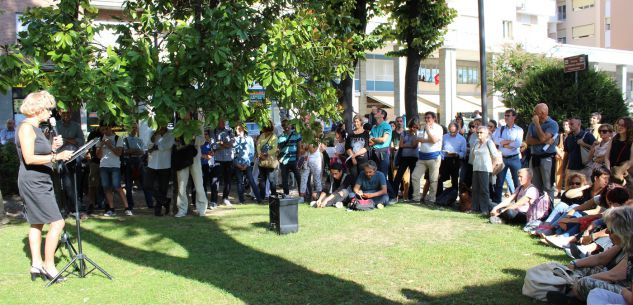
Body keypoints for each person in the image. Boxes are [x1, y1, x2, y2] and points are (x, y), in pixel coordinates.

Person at [15, 91, 73, 283]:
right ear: (38, 108)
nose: (50, 113)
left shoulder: (37, 128)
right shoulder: (26, 128)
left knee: (37, 223)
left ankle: (36, 264)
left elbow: (40, 152)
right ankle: (49, 266)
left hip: (41, 179)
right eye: (48, 109)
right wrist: (56, 156)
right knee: (57, 223)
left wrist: (52, 147)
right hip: (33, 181)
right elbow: (29, 158)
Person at [547, 205, 633, 304]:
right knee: (587, 268)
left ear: (623, 231)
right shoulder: (625, 244)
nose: (606, 232)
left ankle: (571, 295)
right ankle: (573, 294)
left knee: (586, 283)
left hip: (627, 292)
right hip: (623, 288)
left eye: (611, 230)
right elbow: (601, 258)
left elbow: (614, 275)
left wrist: (581, 281)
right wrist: (575, 264)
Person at [174, 115, 208, 217]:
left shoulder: (197, 124)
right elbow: (175, 140)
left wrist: (191, 137)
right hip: (181, 156)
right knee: (181, 185)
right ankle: (182, 209)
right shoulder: (178, 124)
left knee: (198, 184)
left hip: (195, 156)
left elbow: (202, 140)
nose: (184, 114)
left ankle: (202, 209)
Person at [96, 123, 131, 216]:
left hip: (115, 166)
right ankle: (111, 209)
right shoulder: (99, 140)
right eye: (102, 129)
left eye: (106, 129)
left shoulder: (118, 138)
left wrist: (110, 145)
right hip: (103, 166)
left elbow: (119, 153)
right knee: (107, 188)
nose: (105, 131)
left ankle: (127, 208)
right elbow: (98, 156)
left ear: (110, 128)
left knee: (117, 187)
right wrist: (101, 146)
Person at [526, 103, 559, 201]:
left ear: (542, 113)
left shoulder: (552, 124)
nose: (534, 115)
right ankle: (537, 208)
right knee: (536, 186)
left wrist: (537, 125)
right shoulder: (532, 124)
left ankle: (549, 208)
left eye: (535, 113)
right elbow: (528, 140)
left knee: (547, 185)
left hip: (547, 158)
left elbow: (543, 137)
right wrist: (542, 140)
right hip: (535, 157)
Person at [56, 109, 85, 215]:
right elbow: (54, 141)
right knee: (63, 184)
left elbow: (81, 141)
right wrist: (71, 139)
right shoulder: (56, 126)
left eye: (68, 113)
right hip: (59, 158)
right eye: (64, 113)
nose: (66, 115)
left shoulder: (76, 126)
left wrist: (65, 140)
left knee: (75, 182)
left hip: (74, 157)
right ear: (60, 114)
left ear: (71, 114)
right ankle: (65, 207)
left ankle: (75, 206)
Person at [411, 111, 443, 204]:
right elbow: (418, 139)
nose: (426, 119)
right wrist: (426, 139)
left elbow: (434, 140)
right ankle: (416, 198)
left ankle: (431, 199)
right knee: (415, 176)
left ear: (434, 118)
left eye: (428, 117)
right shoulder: (422, 127)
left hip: (434, 157)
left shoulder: (438, 128)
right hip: (422, 156)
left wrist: (428, 130)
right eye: (425, 117)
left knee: (433, 180)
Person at [493, 109, 524, 203]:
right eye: (505, 115)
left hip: (514, 158)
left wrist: (503, 142)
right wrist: (508, 142)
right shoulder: (500, 129)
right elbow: (495, 140)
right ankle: (497, 202)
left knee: (517, 182)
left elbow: (518, 143)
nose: (505, 117)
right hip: (503, 158)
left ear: (514, 117)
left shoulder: (519, 130)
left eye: (508, 115)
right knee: (499, 182)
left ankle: (518, 202)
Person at [469, 126, 501, 214]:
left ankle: (484, 210)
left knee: (484, 190)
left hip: (485, 169)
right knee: (475, 189)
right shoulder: (475, 142)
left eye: (481, 132)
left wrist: (492, 167)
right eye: (478, 132)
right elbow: (473, 156)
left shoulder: (489, 142)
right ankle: (475, 208)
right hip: (476, 168)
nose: (479, 134)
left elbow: (496, 156)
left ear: (486, 134)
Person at [145, 126, 174, 216]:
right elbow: (148, 145)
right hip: (152, 164)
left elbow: (166, 146)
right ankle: (165, 201)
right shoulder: (152, 132)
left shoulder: (171, 133)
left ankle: (158, 211)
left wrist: (154, 148)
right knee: (147, 185)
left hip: (165, 165)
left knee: (163, 189)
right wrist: (153, 137)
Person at [122, 122, 150, 210]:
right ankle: (130, 205)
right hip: (129, 164)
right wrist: (136, 151)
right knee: (128, 186)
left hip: (139, 163)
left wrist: (131, 150)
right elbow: (124, 151)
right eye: (133, 127)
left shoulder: (140, 140)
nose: (134, 129)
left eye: (135, 128)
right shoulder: (124, 140)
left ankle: (150, 203)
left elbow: (142, 152)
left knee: (145, 185)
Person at [369, 108, 396, 200]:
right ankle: (380, 195)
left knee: (382, 176)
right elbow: (370, 141)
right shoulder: (374, 127)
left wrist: (375, 140)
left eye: (378, 111)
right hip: (374, 152)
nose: (376, 112)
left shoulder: (387, 126)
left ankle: (392, 196)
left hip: (383, 152)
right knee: (375, 175)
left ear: (382, 115)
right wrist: (377, 140)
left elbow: (383, 140)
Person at [563, 118, 596, 188]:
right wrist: (563, 170)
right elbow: (566, 155)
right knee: (570, 191)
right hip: (571, 169)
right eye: (569, 124)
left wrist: (584, 144)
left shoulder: (588, 136)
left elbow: (597, 150)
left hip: (585, 169)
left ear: (579, 125)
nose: (569, 126)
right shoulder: (568, 138)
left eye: (572, 124)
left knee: (585, 191)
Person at [233, 123, 261, 204]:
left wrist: (247, 163)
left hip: (247, 164)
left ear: (243, 129)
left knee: (251, 181)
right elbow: (233, 153)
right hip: (238, 163)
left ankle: (259, 199)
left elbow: (252, 152)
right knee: (239, 182)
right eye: (236, 129)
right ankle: (241, 200)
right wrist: (237, 163)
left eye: (238, 129)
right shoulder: (234, 139)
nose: (237, 130)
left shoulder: (249, 139)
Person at [393, 120, 420, 201]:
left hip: (414, 158)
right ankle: (394, 194)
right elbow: (400, 145)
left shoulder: (418, 134)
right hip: (404, 157)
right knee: (398, 176)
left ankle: (411, 196)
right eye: (411, 127)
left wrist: (414, 136)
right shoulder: (404, 133)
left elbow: (415, 145)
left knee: (413, 176)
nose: (413, 128)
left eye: (415, 127)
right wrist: (410, 145)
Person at [605, 117, 633, 196]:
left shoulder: (631, 141)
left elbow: (631, 161)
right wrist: (608, 169)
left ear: (629, 127)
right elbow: (607, 157)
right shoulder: (613, 139)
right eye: (619, 124)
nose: (620, 127)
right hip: (611, 171)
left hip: (625, 174)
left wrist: (620, 171)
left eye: (623, 125)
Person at [438, 122, 467, 195]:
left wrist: (456, 154)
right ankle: (439, 195)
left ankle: (453, 196)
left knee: (454, 179)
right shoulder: (444, 137)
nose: (452, 133)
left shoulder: (462, 139)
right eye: (450, 131)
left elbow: (463, 153)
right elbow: (439, 148)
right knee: (440, 178)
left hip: (455, 160)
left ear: (457, 130)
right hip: (444, 160)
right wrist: (442, 156)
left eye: (453, 132)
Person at [211, 119, 235, 206]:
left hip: (229, 159)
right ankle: (213, 201)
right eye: (220, 121)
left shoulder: (230, 131)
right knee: (215, 180)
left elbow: (232, 144)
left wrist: (221, 144)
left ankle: (225, 198)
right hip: (218, 159)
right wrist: (225, 144)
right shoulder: (213, 131)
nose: (221, 123)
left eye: (223, 121)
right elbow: (213, 145)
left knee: (228, 180)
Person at [278, 119, 302, 198]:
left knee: (298, 177)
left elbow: (299, 148)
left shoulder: (296, 135)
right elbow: (278, 149)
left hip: (294, 160)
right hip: (283, 161)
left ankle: (301, 194)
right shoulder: (280, 137)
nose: (286, 127)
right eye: (284, 125)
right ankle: (286, 195)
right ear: (282, 127)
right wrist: (279, 158)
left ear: (290, 125)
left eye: (287, 125)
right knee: (284, 179)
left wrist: (297, 159)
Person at [257, 121, 278, 199]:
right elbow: (258, 145)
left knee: (271, 179)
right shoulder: (262, 135)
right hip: (262, 160)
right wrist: (260, 154)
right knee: (262, 180)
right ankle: (262, 197)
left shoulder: (274, 136)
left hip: (270, 161)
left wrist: (265, 154)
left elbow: (274, 149)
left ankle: (273, 196)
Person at [556, 120, 571, 197]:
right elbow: (554, 145)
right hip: (560, 157)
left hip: (570, 157)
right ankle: (558, 192)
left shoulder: (572, 135)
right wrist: (560, 153)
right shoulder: (560, 136)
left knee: (568, 174)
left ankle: (567, 192)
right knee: (559, 175)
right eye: (564, 124)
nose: (565, 126)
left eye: (567, 124)